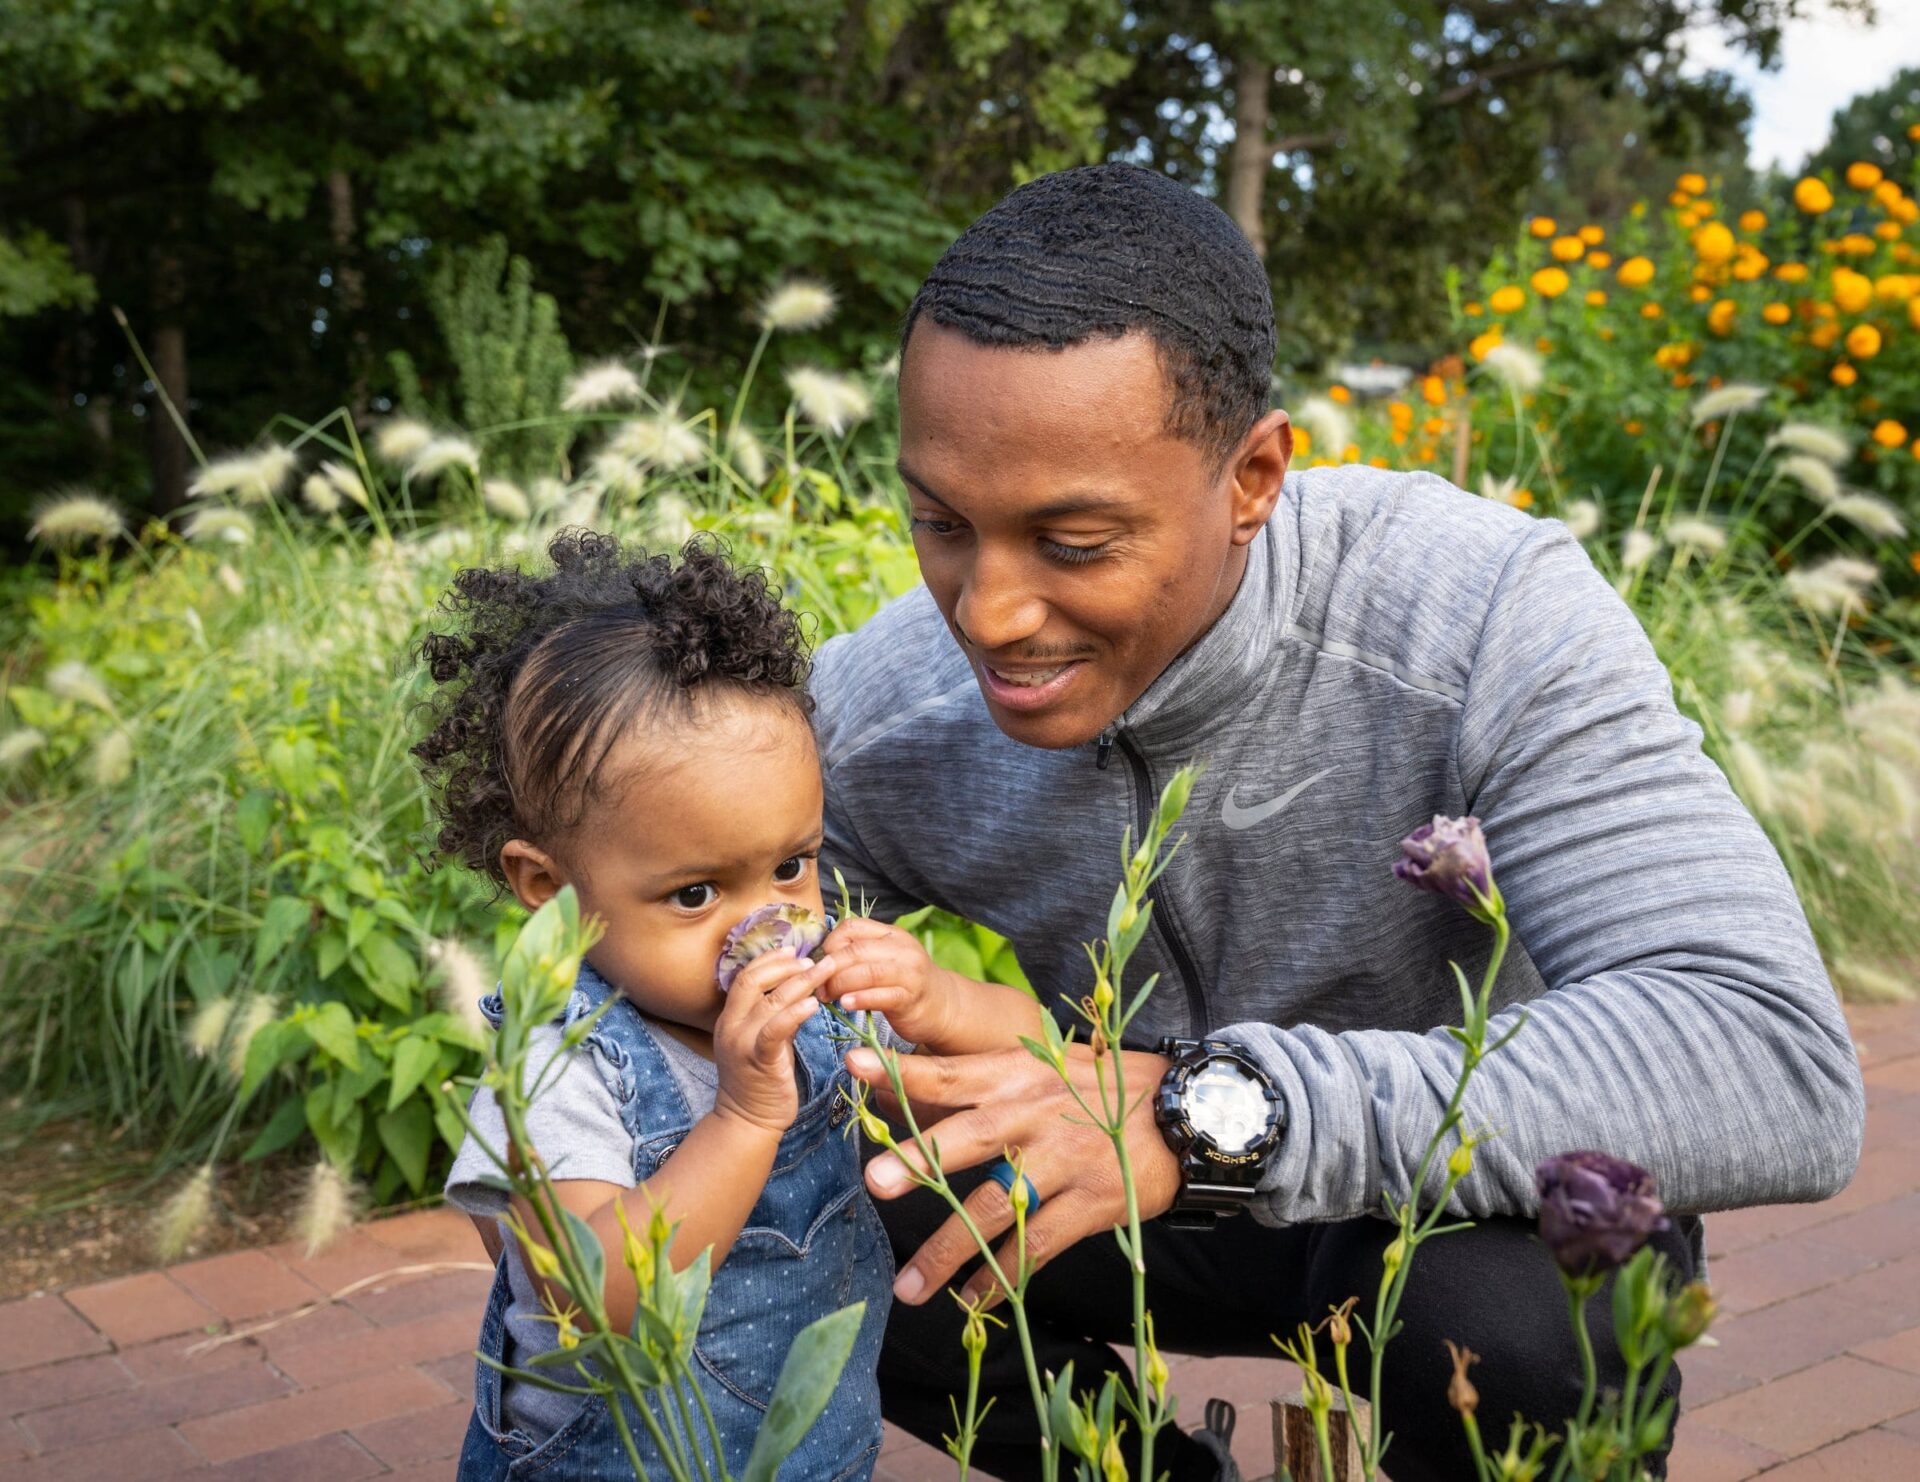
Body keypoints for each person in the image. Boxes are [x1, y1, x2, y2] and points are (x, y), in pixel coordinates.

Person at [808, 163, 1867, 1481]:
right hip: (1115, 1197)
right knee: (788, 1201)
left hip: (1447, 1208)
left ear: (1253, 474)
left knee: (1516, 1334)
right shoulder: (877, 712)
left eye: (1073, 541)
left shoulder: (1481, 615)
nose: (989, 614)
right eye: (941, 522)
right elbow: (683, 977)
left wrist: (1216, 1110)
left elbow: (1771, 1054)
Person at [413, 533, 1041, 1481]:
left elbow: (1043, 1056)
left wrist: (940, 997)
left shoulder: (817, 996)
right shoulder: (556, 1065)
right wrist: (744, 1116)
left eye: (792, 867)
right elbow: (592, 1299)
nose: (768, 929)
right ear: (548, 885)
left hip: (811, 1451)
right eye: (696, 894)